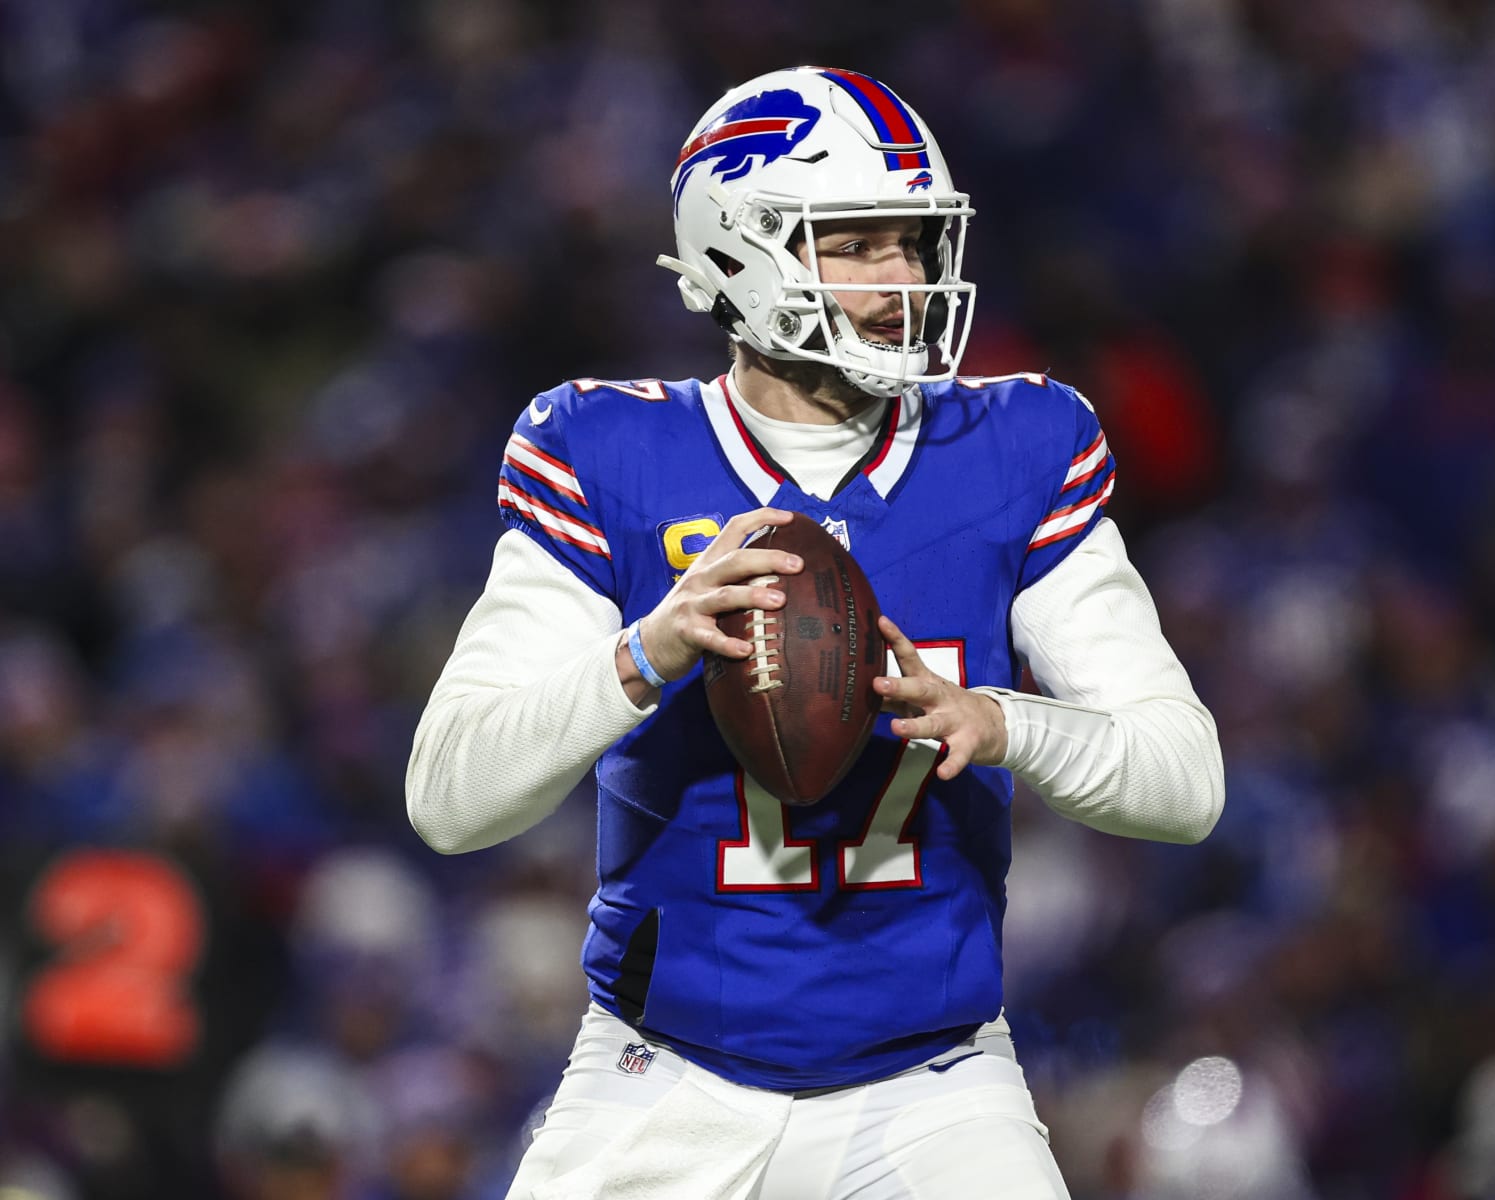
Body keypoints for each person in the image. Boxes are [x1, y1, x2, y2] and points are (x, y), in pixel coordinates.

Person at [406, 66, 1225, 1200]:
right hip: (667, 1074)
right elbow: (449, 800)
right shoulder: (604, 451)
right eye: (859, 243)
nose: (902, 281)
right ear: (740, 250)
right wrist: (650, 650)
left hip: (934, 1081)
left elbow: (1186, 784)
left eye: (916, 244)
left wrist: (1002, 722)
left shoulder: (1016, 448)